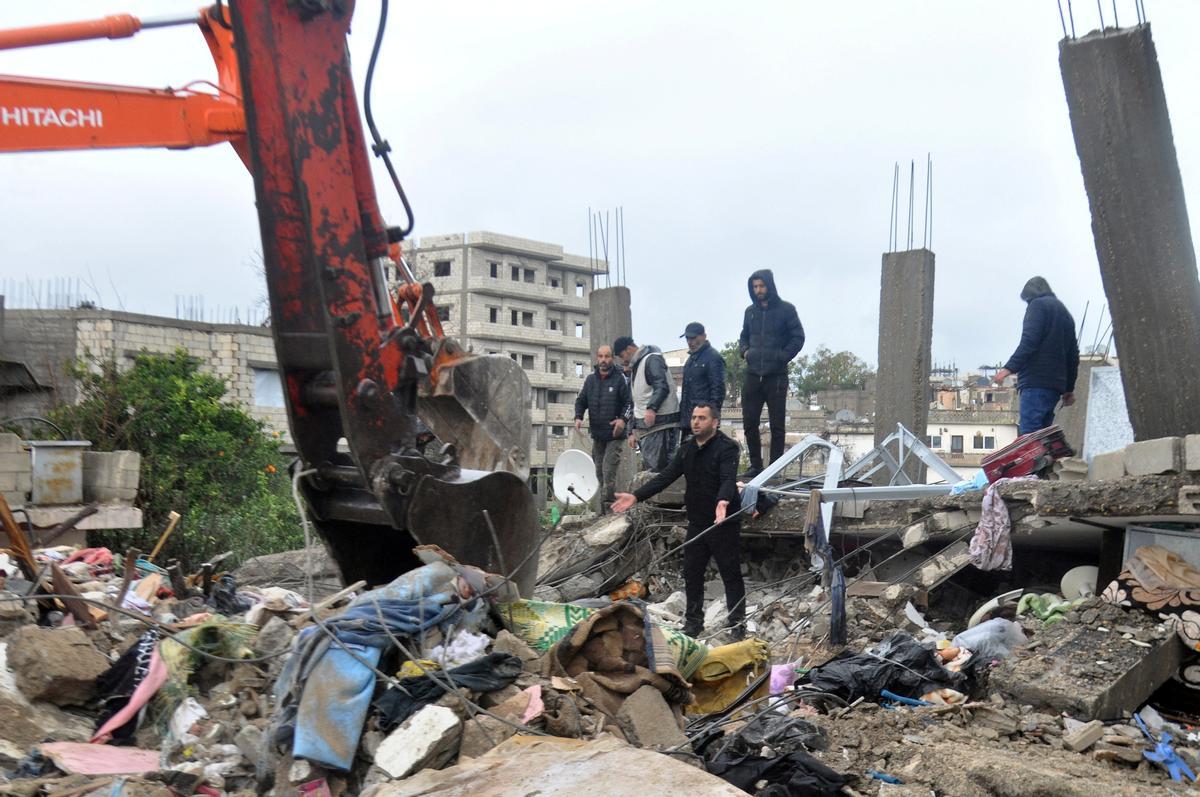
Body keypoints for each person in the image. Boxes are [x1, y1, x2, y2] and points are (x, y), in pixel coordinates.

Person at [612, 402, 744, 639]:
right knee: (692, 572)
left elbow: (727, 478)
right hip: (697, 521)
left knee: (730, 574)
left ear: (714, 422)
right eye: (694, 417)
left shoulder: (727, 448)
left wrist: (723, 501)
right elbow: (665, 477)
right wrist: (636, 496)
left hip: (723, 522)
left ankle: (737, 625)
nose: (695, 422)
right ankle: (694, 623)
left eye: (702, 418)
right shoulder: (687, 449)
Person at [993, 276, 1080, 436]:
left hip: (1035, 382)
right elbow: (1073, 355)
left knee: (1029, 436)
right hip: (1055, 387)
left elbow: (1029, 341)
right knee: (1043, 437)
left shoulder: (1037, 306)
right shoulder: (1064, 312)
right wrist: (1069, 389)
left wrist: (1008, 369)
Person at [738, 269, 805, 476]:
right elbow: (743, 337)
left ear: (770, 286)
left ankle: (775, 467)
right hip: (752, 374)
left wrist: (782, 356)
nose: (758, 290)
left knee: (777, 424)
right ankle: (756, 465)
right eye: (755, 287)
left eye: (761, 286)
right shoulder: (750, 312)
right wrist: (745, 351)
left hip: (776, 375)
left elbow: (798, 337)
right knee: (749, 422)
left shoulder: (786, 310)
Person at [574, 345, 632, 513]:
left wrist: (623, 420)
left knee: (608, 472)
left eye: (607, 356)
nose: (603, 360)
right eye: (600, 356)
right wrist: (578, 417)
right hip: (598, 434)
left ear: (612, 358)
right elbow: (581, 401)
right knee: (598, 472)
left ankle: (609, 511)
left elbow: (629, 403)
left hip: (615, 435)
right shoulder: (591, 380)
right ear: (597, 358)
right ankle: (604, 511)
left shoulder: (620, 379)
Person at [613, 335, 680, 472]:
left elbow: (662, 386)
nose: (623, 360)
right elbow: (635, 403)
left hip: (662, 425)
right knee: (652, 470)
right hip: (646, 428)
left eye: (622, 355)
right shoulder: (636, 368)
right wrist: (631, 431)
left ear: (630, 348)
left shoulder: (652, 360)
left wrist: (652, 408)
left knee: (661, 471)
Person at [678, 322, 726, 437]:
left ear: (704, 336)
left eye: (693, 338)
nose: (690, 342)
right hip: (688, 421)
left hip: (704, 421)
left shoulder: (713, 358)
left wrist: (711, 418)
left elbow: (718, 390)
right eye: (688, 338)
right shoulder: (690, 360)